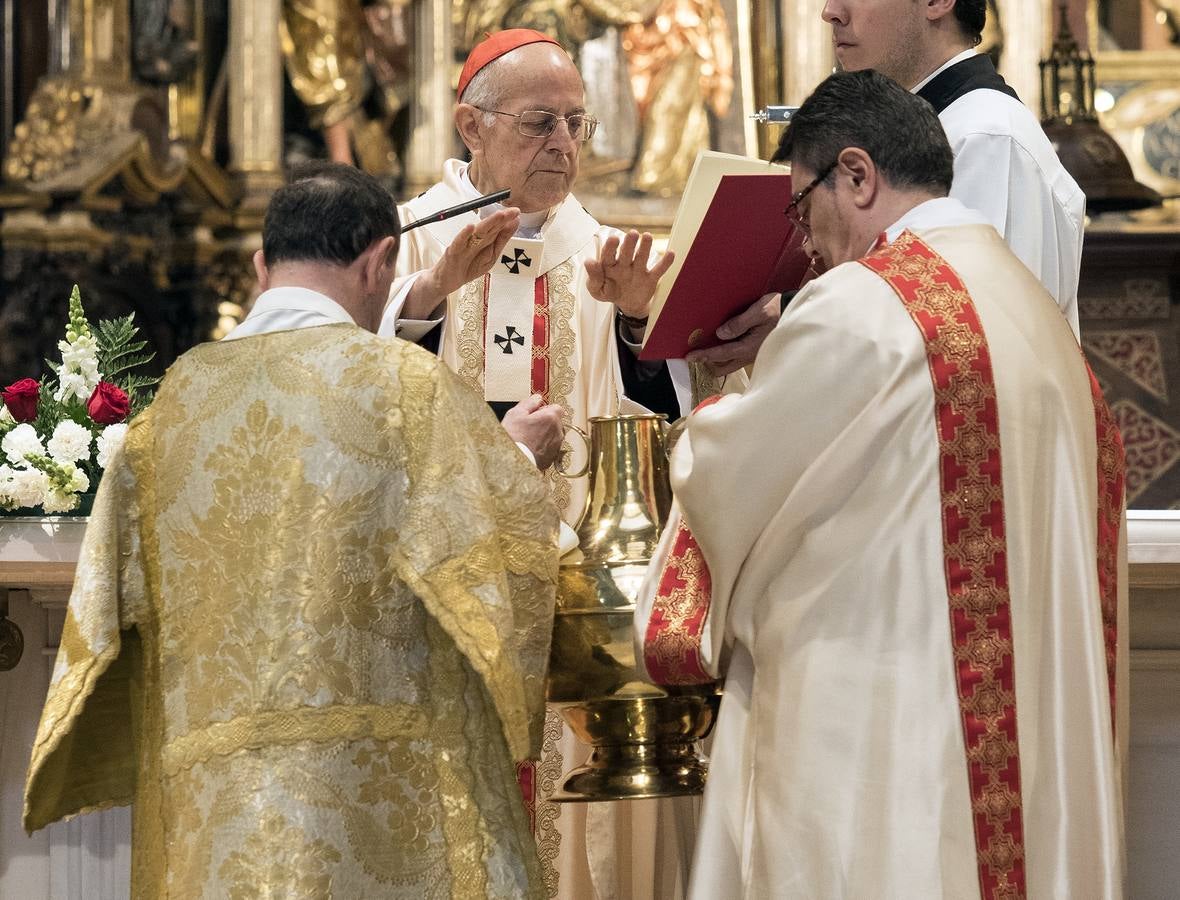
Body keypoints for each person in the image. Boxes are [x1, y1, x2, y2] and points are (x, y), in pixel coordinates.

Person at [636, 71, 1126, 898]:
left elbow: (730, 477)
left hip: (878, 733)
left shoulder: (858, 307)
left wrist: (720, 394)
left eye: (802, 208)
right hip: (1026, 742)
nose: (806, 243)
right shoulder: (1042, 323)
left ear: (857, 175)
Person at [24, 162, 560, 899]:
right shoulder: (407, 388)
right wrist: (524, 459)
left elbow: (105, 621)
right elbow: (485, 561)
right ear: (379, 263)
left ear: (259, 266)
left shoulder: (169, 414)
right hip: (381, 801)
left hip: (217, 815)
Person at [379, 28, 687, 527]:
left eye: (575, 122)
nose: (563, 144)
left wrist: (637, 322)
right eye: (539, 123)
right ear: (472, 128)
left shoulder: (610, 257)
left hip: (583, 566)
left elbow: (673, 418)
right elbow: (352, 402)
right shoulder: (403, 242)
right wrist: (428, 294)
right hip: (437, 557)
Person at [693, 0, 1085, 376]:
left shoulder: (985, 134)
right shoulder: (930, 128)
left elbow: (963, 331)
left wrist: (801, 316)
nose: (830, 12)